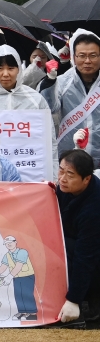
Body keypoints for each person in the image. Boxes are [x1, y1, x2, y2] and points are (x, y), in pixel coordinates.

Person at [57, 149, 100, 326]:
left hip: (92, 256)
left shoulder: (94, 210)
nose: (62, 178)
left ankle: (90, 302)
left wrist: (73, 300)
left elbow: (86, 256)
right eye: (61, 170)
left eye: (70, 174)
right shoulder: (64, 188)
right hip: (75, 244)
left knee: (67, 247)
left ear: (86, 179)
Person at [51, 31, 100, 165]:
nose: (87, 61)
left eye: (93, 56)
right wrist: (49, 82)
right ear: (74, 57)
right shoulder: (62, 82)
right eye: (82, 56)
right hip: (70, 158)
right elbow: (50, 107)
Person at [0, 235, 39, 321]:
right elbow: (3, 267)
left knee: (27, 294)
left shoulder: (22, 252)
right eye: (6, 243)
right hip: (16, 277)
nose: (9, 244)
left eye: (10, 242)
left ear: (15, 242)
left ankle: (32, 314)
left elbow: (19, 266)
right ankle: (22, 312)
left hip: (27, 276)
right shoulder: (7, 255)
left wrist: (8, 277)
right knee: (18, 295)